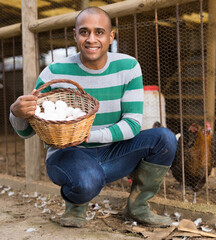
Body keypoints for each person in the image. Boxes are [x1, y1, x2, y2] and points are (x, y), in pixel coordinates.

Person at [9, 7, 177, 228]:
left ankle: (137, 206)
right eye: (84, 32)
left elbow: (133, 124)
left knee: (165, 138)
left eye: (99, 32)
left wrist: (89, 135)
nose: (91, 39)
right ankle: (76, 202)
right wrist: (16, 112)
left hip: (114, 150)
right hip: (68, 153)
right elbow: (28, 130)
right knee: (88, 181)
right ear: (75, 35)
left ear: (111, 36)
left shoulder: (128, 67)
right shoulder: (54, 72)